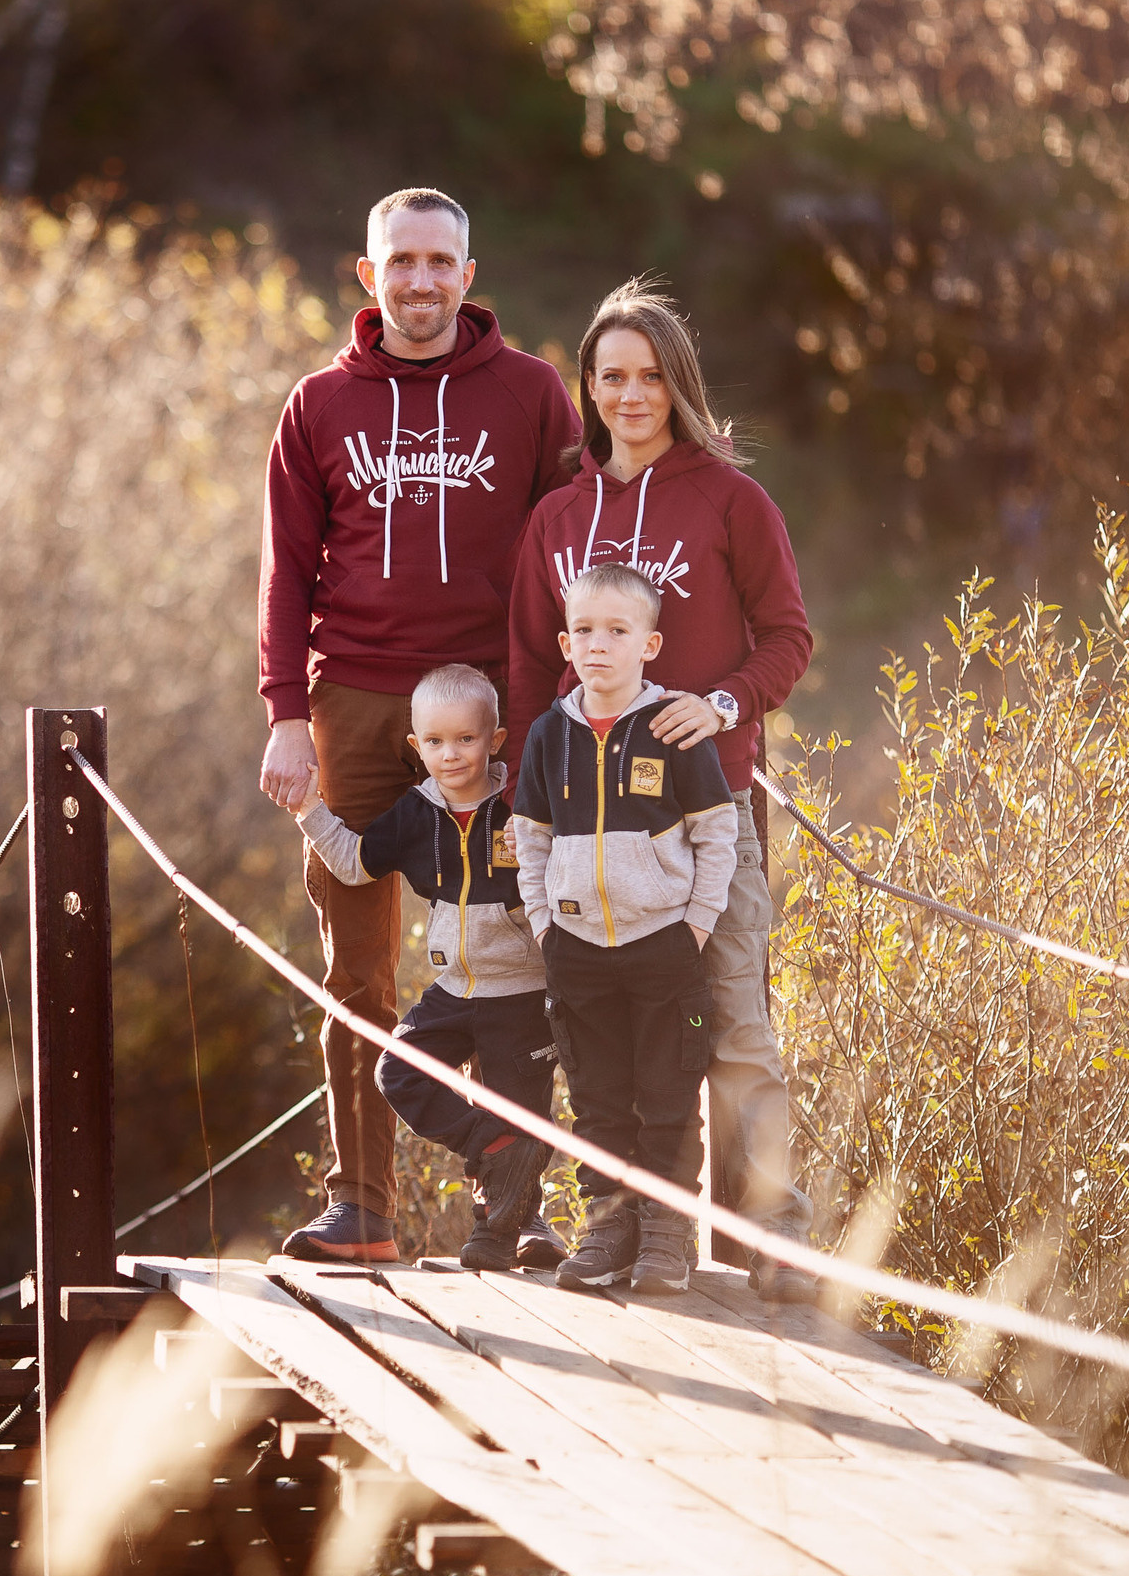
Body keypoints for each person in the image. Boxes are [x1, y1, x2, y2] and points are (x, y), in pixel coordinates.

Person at [259, 186, 581, 1263]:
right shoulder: (317, 406)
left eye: (440, 261)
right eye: (401, 261)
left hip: (486, 704)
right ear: (368, 276)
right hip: (353, 700)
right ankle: (362, 1208)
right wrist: (286, 714)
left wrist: (552, 706)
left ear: (468, 276)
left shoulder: (532, 394)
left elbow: (577, 534)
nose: (421, 280)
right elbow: (284, 574)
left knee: (509, 956)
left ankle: (515, 1210)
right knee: (357, 969)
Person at [501, 279, 820, 1303]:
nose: (630, 396)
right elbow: (526, 667)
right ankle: (630, 1225)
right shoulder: (556, 517)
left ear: (677, 384)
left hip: (705, 813)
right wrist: (523, 805)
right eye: (611, 377)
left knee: (734, 1023)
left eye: (649, 377)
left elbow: (788, 638)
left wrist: (723, 706)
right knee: (602, 1041)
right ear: (589, 389)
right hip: (588, 833)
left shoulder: (731, 500)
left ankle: (773, 1230)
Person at [289, 663, 563, 1273]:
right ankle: (489, 1146)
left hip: (522, 993)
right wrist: (309, 808)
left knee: (523, 1111)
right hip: (454, 990)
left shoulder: (521, 804)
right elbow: (354, 864)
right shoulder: (416, 814)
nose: (451, 754)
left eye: (466, 739)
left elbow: (573, 868)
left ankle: (507, 1233)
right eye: (435, 741)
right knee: (398, 1071)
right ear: (416, 746)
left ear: (495, 740)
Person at [510, 562, 736, 1293]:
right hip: (577, 950)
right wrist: (545, 926)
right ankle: (609, 1228)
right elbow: (530, 839)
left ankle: (667, 1235)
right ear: (565, 644)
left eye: (616, 630)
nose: (598, 644)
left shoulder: (672, 729)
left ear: (650, 644)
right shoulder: (549, 735)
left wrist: (694, 926)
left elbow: (717, 833)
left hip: (665, 946)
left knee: (669, 1096)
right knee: (598, 1099)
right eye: (583, 631)